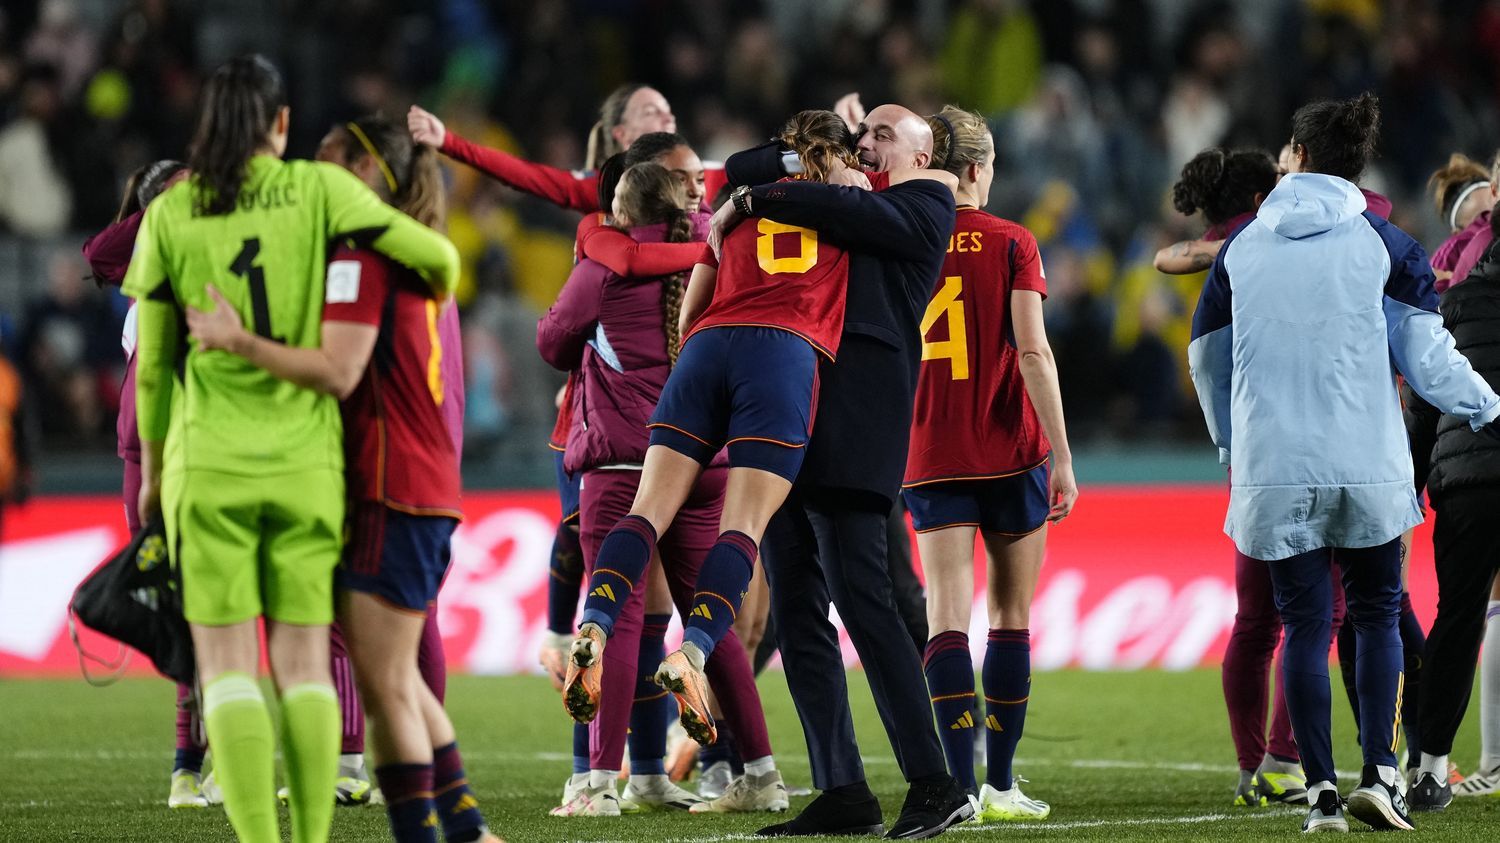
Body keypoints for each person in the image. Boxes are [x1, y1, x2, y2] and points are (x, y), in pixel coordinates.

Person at [123, 56, 460, 843]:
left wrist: (152, 475)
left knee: (228, 665)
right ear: (280, 124)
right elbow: (440, 261)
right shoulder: (321, 190)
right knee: (307, 664)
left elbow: (157, 366)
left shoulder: (171, 214)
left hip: (206, 465)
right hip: (308, 465)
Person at [1188, 91, 1500, 834]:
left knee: (1303, 627)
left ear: (1294, 155)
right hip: (1366, 459)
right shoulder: (1385, 245)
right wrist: (1489, 405)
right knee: (1376, 616)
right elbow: (1427, 358)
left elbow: (1206, 358)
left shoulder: (1241, 248)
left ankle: (1320, 790)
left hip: (1275, 466)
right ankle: (1381, 774)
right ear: (1358, 164)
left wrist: (1232, 436)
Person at [184, 113, 496, 843]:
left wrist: (238, 340)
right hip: (422, 484)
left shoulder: (362, 257)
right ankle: (465, 828)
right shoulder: (413, 256)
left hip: (390, 485)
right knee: (402, 680)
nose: (304, 174)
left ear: (361, 174)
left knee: (386, 685)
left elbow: (339, 369)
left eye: (323, 160)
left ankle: (430, 833)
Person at [561, 110, 866, 745]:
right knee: (743, 528)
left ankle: (592, 620)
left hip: (703, 350)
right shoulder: (854, 203)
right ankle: (693, 650)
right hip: (781, 353)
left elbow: (692, 305)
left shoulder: (738, 204)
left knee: (646, 513)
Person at [87, 160, 381, 810]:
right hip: (160, 454)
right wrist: (161, 205)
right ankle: (188, 767)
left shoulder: (219, 265)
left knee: (244, 614)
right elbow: (99, 250)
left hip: (222, 447)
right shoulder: (155, 261)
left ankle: (239, 761)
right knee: (190, 615)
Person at [722, 103, 971, 839]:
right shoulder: (842, 196)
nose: (866, 146)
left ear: (924, 156)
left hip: (855, 424)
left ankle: (936, 781)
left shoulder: (927, 201)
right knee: (798, 611)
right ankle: (842, 787)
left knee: (866, 603)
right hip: (789, 419)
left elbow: (754, 187)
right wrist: (791, 171)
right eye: (862, 137)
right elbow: (741, 165)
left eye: (884, 136)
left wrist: (757, 200)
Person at [538, 159, 785, 816]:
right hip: (707, 461)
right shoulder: (718, 252)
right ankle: (758, 772)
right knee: (714, 623)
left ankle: (596, 785)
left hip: (624, 465)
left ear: (625, 211)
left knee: (616, 620)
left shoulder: (604, 269)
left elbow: (552, 341)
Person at [907, 106, 1077, 823]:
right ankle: (1002, 784)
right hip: (1010, 449)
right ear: (979, 168)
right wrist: (1062, 453)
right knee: (1009, 615)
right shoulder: (1012, 241)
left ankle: (960, 789)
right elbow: (1033, 351)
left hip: (929, 450)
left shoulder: (900, 239)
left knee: (947, 612)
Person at [1154, 146, 1323, 807]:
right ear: (1261, 198)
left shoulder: (1224, 259)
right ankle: (1289, 758)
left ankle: (1255, 763)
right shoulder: (1269, 245)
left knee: (1256, 617)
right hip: (1297, 448)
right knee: (1326, 609)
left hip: (1247, 460)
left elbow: (1171, 259)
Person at [1402, 215, 1500, 809]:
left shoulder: (1456, 304)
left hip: (1466, 480)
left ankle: (1431, 767)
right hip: (1470, 471)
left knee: (1459, 619)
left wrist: (1411, 481)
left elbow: (1424, 397)